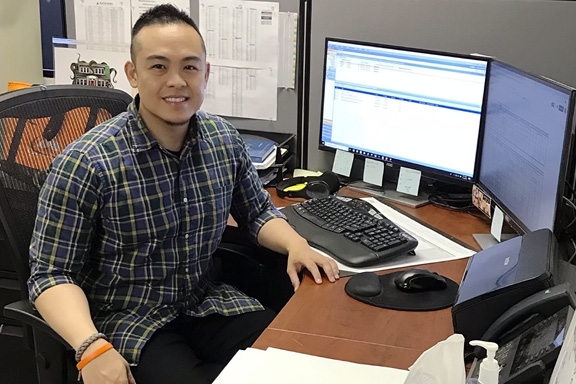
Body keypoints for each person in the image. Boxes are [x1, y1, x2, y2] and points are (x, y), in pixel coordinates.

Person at [28, 4, 339, 384]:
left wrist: (296, 245)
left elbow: (257, 212)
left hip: (205, 301)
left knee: (294, 362)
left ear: (205, 74)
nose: (176, 81)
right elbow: (50, 274)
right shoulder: (86, 163)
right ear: (133, 74)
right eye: (158, 66)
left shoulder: (223, 141)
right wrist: (90, 346)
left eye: (189, 67)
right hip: (126, 320)